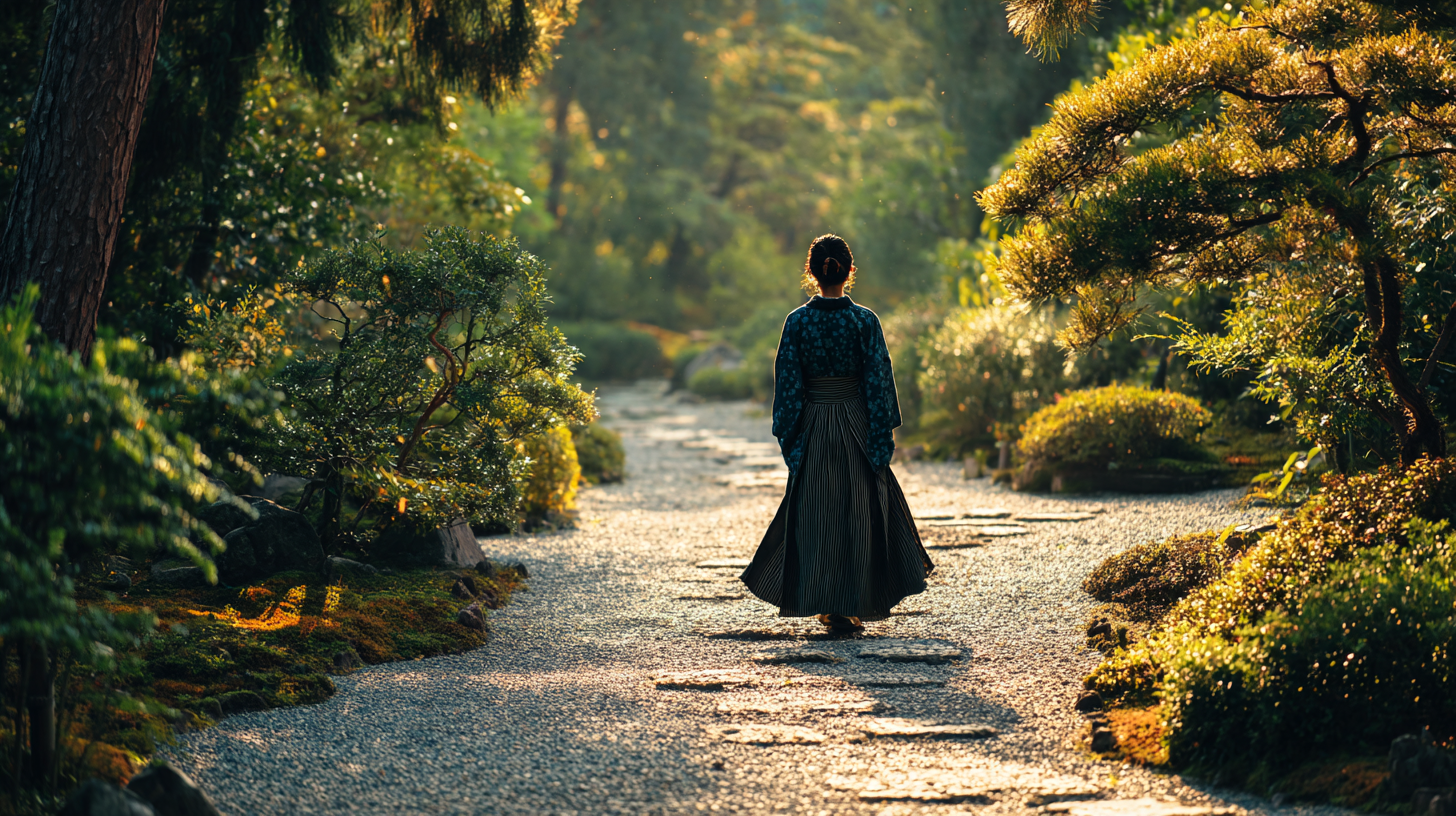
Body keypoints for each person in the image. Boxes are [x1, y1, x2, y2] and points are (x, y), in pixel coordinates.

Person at [739, 234, 933, 631]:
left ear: (810, 272)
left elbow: (789, 387)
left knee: (817, 517)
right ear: (850, 271)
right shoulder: (865, 321)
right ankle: (853, 600)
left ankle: (826, 601)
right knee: (858, 515)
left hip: (814, 427)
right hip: (856, 425)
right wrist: (880, 437)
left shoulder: (797, 322)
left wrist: (792, 440)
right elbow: (879, 383)